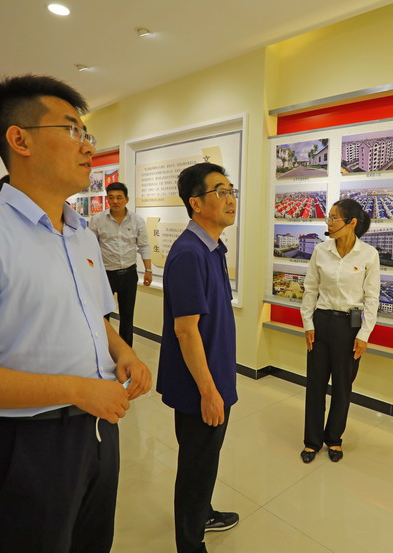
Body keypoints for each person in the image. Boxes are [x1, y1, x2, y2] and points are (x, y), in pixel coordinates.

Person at [0, 75, 151, 553]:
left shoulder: (81, 235)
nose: (88, 146)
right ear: (20, 140)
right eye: (72, 130)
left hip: (98, 427)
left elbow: (94, 316)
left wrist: (124, 352)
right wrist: (77, 389)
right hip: (26, 442)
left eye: (87, 133)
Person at [158, 162, 239, 553]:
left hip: (213, 375)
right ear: (196, 202)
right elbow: (185, 331)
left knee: (205, 459)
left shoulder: (212, 248)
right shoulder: (190, 253)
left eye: (231, 190)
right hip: (199, 385)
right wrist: (208, 391)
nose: (230, 199)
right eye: (220, 192)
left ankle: (202, 512)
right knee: (196, 464)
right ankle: (190, 543)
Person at [299, 198, 380, 463]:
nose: (329, 222)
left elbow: (372, 299)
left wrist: (364, 334)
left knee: (343, 387)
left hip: (350, 326)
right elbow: (310, 289)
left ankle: (334, 438)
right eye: (329, 217)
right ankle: (312, 441)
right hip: (321, 323)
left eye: (334, 218)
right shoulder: (321, 251)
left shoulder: (368, 254)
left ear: (351, 222)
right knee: (315, 385)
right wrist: (308, 324)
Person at [88, 181, 152, 346]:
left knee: (127, 316)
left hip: (129, 274)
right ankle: (104, 350)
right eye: (111, 198)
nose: (115, 201)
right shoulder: (97, 220)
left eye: (119, 197)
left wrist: (148, 270)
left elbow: (144, 246)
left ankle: (126, 351)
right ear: (107, 199)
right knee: (103, 315)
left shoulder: (137, 220)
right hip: (105, 275)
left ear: (126, 199)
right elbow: (90, 248)